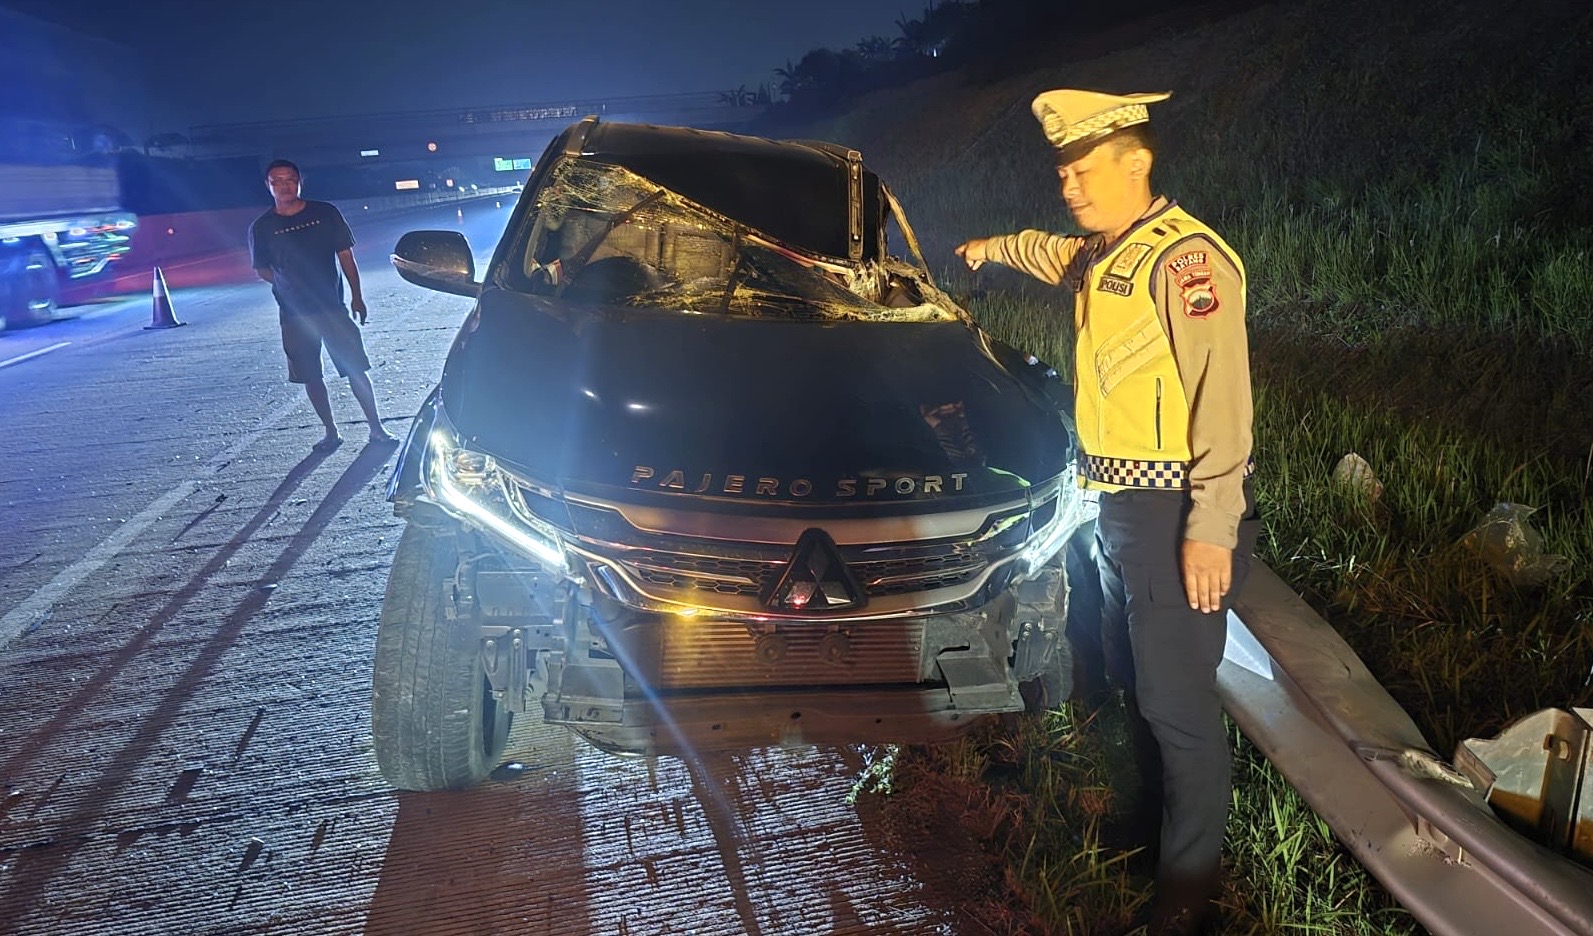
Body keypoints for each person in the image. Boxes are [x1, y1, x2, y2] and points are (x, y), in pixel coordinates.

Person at [956, 89, 1260, 935]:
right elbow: (1046, 250)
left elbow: (1222, 402)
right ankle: (1157, 835)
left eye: (1082, 168)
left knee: (1178, 707)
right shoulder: (1105, 251)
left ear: (1137, 162)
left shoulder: (1185, 261)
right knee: (1138, 683)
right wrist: (987, 248)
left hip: (1172, 512)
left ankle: (1186, 900)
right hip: (1119, 506)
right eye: (1059, 170)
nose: (1068, 184)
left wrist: (1210, 526)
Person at [249, 159, 392, 451]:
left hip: (332, 307)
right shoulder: (262, 227)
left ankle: (377, 428)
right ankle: (331, 432)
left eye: (290, 179)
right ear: (268, 186)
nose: (285, 185)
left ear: (300, 180)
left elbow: (346, 256)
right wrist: (286, 283)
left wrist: (357, 295)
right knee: (310, 375)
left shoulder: (325, 213)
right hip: (294, 315)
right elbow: (261, 269)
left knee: (355, 367)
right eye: (277, 181)